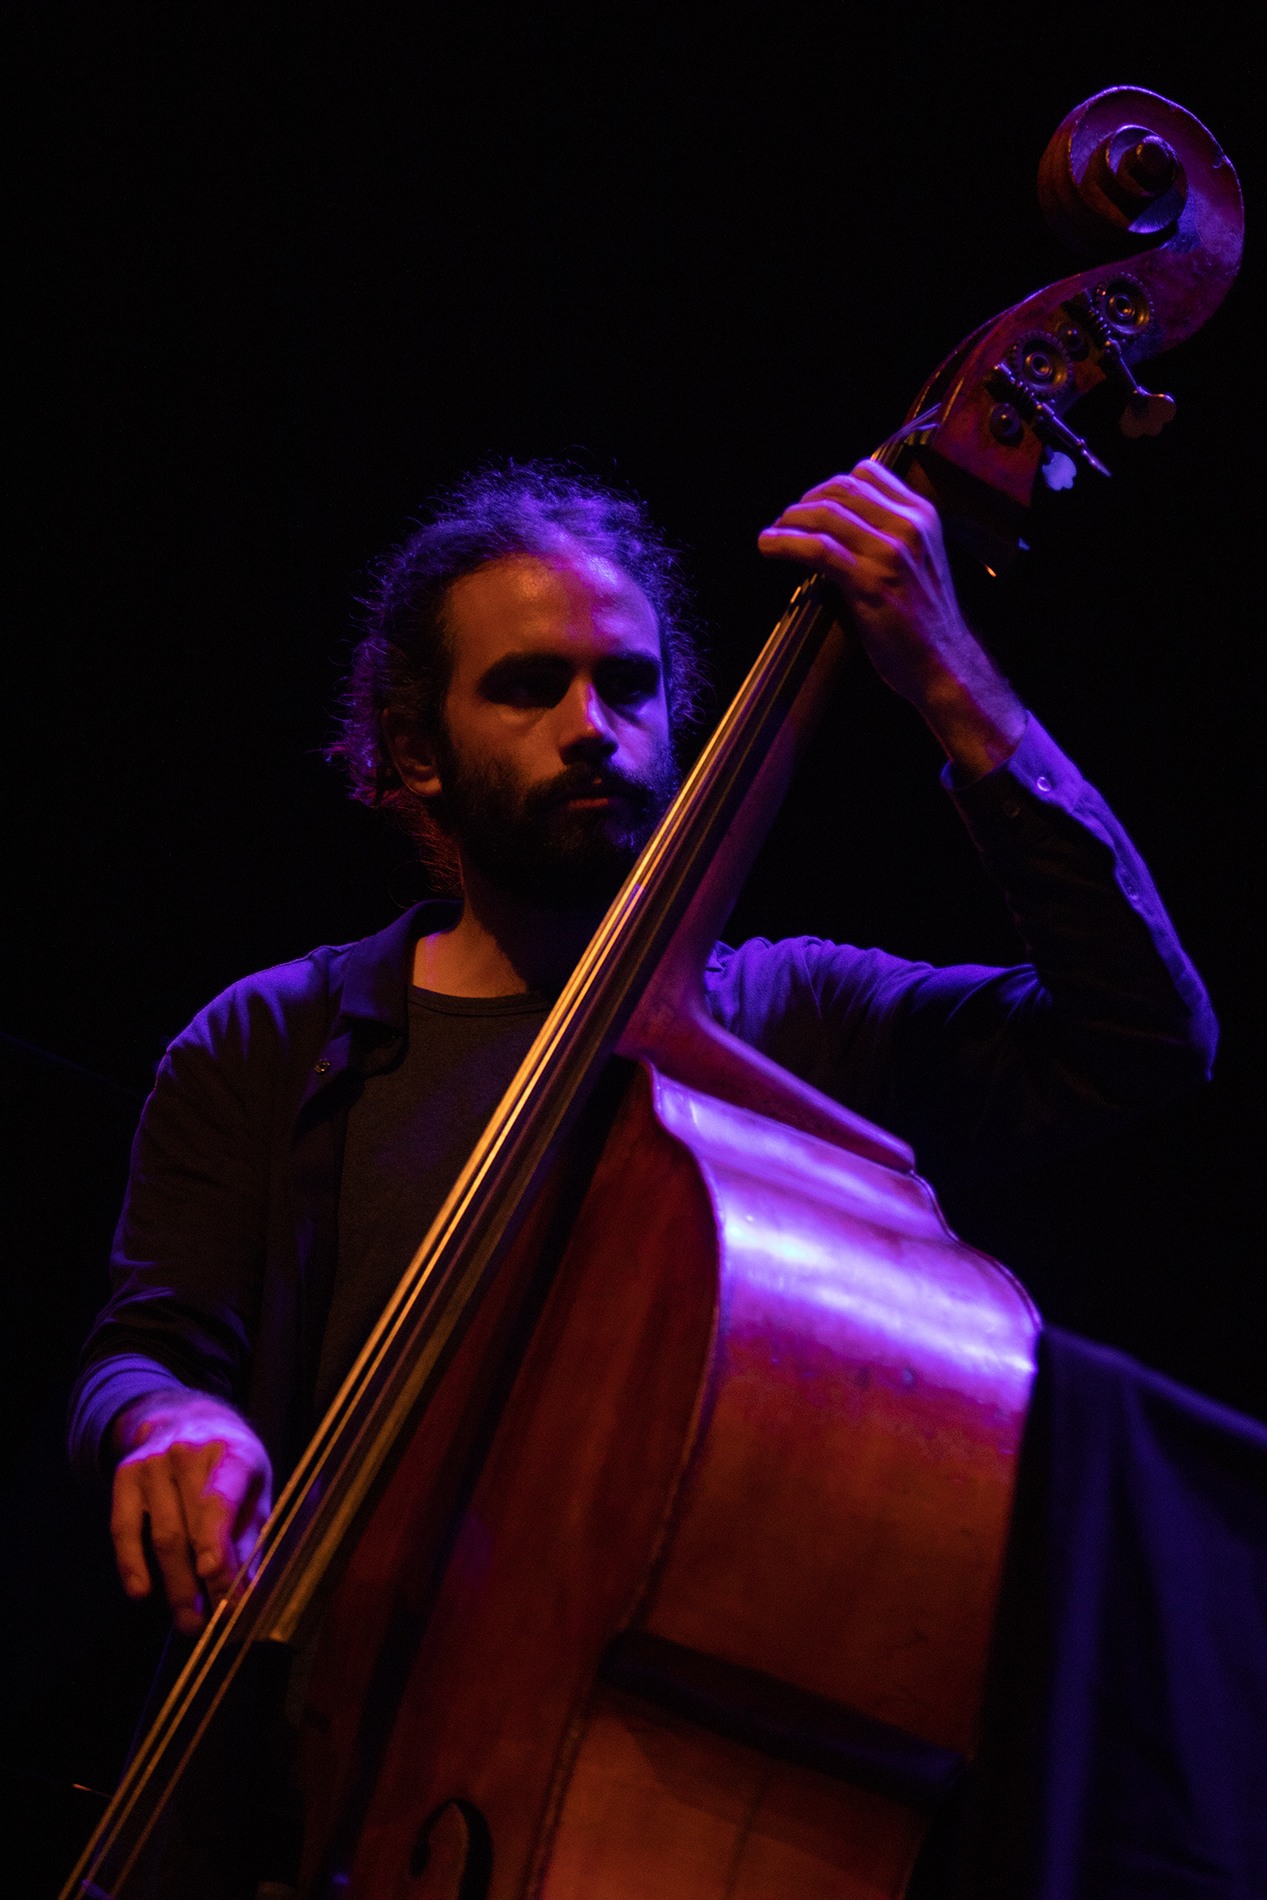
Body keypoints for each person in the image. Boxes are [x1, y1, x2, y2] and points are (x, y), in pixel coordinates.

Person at [71, 457, 1215, 1650]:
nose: (589, 730)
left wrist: (948, 676)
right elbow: (144, 1352)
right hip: (315, 1706)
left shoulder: (796, 1022)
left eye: (628, 685)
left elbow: (1141, 1034)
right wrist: (165, 1422)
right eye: (528, 688)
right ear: (415, 751)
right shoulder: (267, 1042)